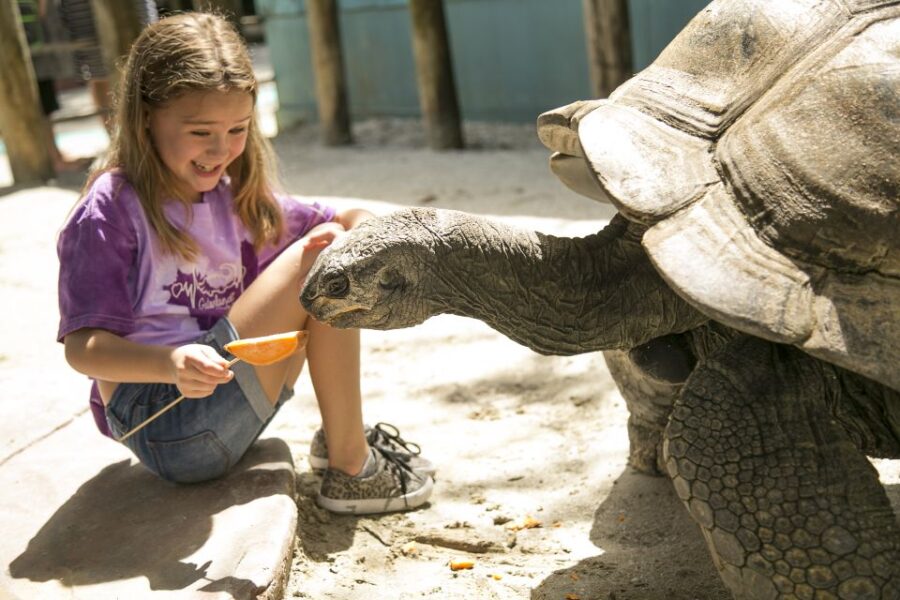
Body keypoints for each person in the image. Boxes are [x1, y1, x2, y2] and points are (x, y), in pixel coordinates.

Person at [56, 11, 434, 515]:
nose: (221, 150)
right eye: (200, 131)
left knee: (334, 244)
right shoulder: (110, 209)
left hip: (225, 400)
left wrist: (361, 234)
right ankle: (351, 468)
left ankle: (342, 442)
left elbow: (346, 215)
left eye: (237, 129)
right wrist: (168, 363)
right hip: (164, 419)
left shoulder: (236, 196)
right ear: (146, 114)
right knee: (318, 257)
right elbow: (83, 349)